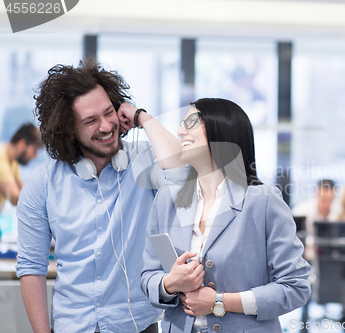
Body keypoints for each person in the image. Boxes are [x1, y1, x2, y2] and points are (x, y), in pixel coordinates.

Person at [120, 98, 311, 333]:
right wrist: (169, 284)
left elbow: (295, 286)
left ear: (222, 127)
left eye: (191, 122)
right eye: (182, 123)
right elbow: (148, 275)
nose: (181, 131)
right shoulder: (166, 200)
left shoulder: (263, 201)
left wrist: (218, 302)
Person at [15, 60, 163, 333]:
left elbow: (187, 172)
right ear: (68, 128)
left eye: (109, 113)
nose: (107, 126)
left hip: (136, 324)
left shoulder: (145, 162)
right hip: (72, 325)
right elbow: (31, 266)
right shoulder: (43, 183)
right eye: (91, 121)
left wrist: (143, 117)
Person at [0, 123, 41, 214]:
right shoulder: (1, 160)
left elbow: (23, 189)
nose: (35, 156)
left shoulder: (13, 162)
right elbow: (15, 198)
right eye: (34, 150)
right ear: (22, 144)